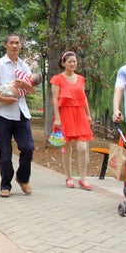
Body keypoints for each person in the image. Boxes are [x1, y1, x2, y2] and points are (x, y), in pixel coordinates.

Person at [0, 33, 37, 198]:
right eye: (12, 43)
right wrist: (2, 99)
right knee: (5, 153)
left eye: (17, 43)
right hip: (3, 115)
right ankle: (5, 184)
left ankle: (22, 178)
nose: (15, 46)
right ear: (6, 45)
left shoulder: (24, 66)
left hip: (21, 113)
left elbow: (33, 90)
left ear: (21, 46)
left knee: (28, 147)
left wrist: (26, 85)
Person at [50, 51, 95, 191]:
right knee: (66, 148)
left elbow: (84, 98)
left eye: (74, 61)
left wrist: (88, 114)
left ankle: (83, 178)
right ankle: (68, 177)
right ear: (63, 63)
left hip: (79, 114)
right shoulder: (57, 79)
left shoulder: (81, 79)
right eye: (69, 61)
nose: (72, 64)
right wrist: (57, 118)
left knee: (82, 148)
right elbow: (55, 100)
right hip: (65, 115)